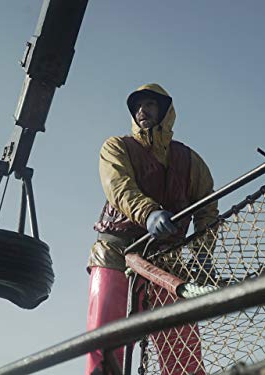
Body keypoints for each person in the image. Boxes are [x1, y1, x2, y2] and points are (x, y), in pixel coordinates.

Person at [85, 83, 219, 375]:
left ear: (166, 112)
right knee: (105, 338)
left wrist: (203, 251)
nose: (142, 111)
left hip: (165, 258)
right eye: (137, 107)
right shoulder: (116, 147)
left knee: (181, 343)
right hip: (116, 250)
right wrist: (148, 213)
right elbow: (118, 187)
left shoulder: (190, 161)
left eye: (150, 105)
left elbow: (207, 208)